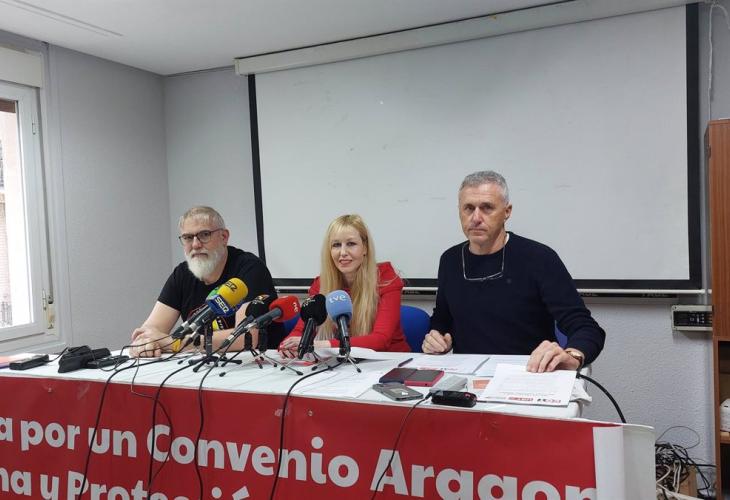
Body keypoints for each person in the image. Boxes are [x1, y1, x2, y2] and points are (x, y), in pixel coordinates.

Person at [422, 171, 605, 372]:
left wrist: (573, 356)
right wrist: (436, 338)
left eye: (487, 208)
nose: (476, 218)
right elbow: (442, 320)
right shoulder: (450, 260)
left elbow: (585, 326)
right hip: (468, 376)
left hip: (528, 373)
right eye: (468, 208)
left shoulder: (538, 258)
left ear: (507, 211)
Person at [130, 206, 283, 357]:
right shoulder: (182, 274)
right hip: (202, 363)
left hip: (259, 363)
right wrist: (145, 342)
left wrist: (173, 343)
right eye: (188, 238)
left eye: (204, 235)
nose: (195, 245)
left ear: (224, 237)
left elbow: (245, 337)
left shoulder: (250, 268)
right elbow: (151, 329)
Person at [279, 214, 410, 356]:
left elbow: (380, 339)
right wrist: (287, 347)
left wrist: (319, 345)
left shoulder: (386, 279)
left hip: (389, 362)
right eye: (336, 245)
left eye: (351, 244)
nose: (343, 253)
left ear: (365, 248)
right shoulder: (321, 285)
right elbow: (300, 330)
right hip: (343, 362)